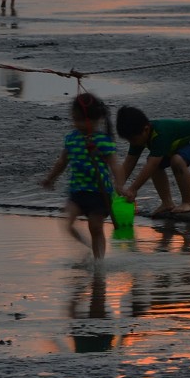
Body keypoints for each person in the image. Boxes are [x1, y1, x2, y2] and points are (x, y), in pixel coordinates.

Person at [40, 92, 126, 263]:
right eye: (75, 119)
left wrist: (119, 185)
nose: (78, 124)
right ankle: (86, 248)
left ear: (97, 120)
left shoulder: (103, 141)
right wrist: (51, 178)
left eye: (82, 120)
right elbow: (62, 161)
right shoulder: (72, 139)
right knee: (67, 223)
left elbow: (115, 165)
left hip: (99, 194)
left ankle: (99, 262)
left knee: (95, 228)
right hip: (77, 192)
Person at [116, 106, 190, 217]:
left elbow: (152, 164)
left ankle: (188, 202)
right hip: (175, 146)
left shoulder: (160, 133)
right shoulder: (138, 137)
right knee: (155, 163)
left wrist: (133, 189)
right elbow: (129, 162)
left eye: (133, 139)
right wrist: (118, 185)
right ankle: (167, 203)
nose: (132, 143)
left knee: (177, 161)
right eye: (129, 140)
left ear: (146, 129)